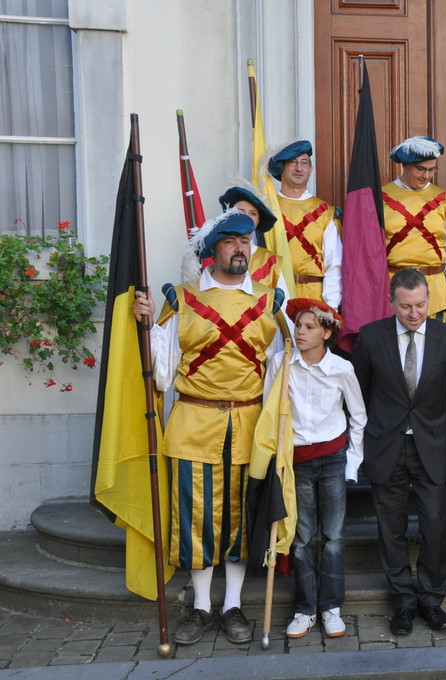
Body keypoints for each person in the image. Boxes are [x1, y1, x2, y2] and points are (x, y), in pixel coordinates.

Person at [132, 211, 282, 646]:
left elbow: (278, 371)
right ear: (212, 249)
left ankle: (232, 604)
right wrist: (143, 327)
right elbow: (161, 370)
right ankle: (200, 607)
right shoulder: (180, 299)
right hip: (193, 423)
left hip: (250, 425)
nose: (240, 249)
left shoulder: (271, 301)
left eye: (245, 241)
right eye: (231, 241)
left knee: (238, 519)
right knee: (197, 520)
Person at [352, 268, 446, 636]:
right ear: (391, 302)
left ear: (429, 301)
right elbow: (361, 392)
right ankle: (402, 599)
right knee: (391, 526)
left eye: (419, 305)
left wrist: (428, 424)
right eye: (405, 307)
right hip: (386, 443)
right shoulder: (370, 337)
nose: (413, 313)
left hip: (429, 443)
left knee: (435, 524)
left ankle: (432, 600)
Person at [264, 298, 366, 640]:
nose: (301, 332)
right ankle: (305, 609)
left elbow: (359, 415)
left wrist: (352, 461)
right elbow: (269, 410)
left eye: (309, 327)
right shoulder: (281, 363)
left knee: (334, 536)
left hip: (333, 458)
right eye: (298, 325)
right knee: (303, 537)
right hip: (297, 462)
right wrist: (274, 458)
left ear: (326, 332)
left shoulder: (341, 369)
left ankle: (331, 607)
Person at [383, 136, 446, 321]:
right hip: (392, 288)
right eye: (421, 169)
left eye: (431, 170)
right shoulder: (381, 198)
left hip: (434, 290)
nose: (426, 176)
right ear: (404, 165)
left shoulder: (443, 199)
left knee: (433, 347)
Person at [268, 140, 342, 307]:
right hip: (275, 293)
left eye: (304, 163)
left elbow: (334, 263)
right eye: (292, 163)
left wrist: (331, 306)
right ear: (282, 168)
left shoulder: (324, 212)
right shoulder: (267, 208)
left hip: (313, 295)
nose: (299, 168)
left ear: (310, 169)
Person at [218, 185, 287, 293]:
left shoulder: (270, 262)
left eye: (253, 213)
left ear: (258, 221)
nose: (247, 218)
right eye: (240, 212)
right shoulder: (215, 254)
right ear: (229, 215)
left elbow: (282, 308)